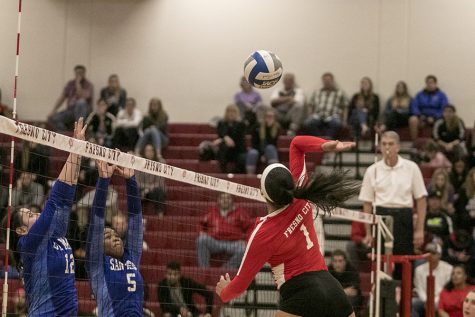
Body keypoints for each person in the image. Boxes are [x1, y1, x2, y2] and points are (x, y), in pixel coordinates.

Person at [215, 135, 359, 317]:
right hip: (334, 290)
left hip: (302, 295)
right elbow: (297, 144)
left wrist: (224, 292)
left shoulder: (264, 232)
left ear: (262, 193)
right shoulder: (302, 197)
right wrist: (326, 145)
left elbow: (239, 285)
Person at [6, 118, 86, 316]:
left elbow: (66, 198)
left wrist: (79, 152)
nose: (38, 214)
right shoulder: (29, 244)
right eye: (31, 215)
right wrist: (75, 149)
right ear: (21, 230)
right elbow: (55, 199)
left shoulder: (55, 233)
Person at [359, 131, 427, 279]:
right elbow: (367, 203)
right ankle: (382, 301)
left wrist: (419, 229)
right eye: (384, 144)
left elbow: (421, 200)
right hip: (381, 218)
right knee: (382, 264)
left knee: (404, 265)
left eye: (390, 144)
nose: (387, 147)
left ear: (398, 147)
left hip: (404, 218)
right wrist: (369, 232)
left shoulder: (411, 168)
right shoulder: (372, 170)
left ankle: (403, 300)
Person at [85, 160, 144, 316]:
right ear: (98, 245)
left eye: (116, 235)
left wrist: (130, 180)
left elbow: (135, 222)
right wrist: (104, 180)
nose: (116, 237)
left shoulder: (131, 258)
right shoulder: (97, 265)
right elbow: (96, 221)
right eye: (108, 236)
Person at [196, 192, 253, 268]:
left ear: (232, 200)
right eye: (222, 198)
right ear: (218, 200)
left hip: (233, 243)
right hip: (215, 241)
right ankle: (205, 270)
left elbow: (250, 227)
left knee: (245, 248)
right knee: (201, 239)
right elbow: (200, 223)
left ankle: (225, 269)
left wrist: (246, 240)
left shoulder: (240, 213)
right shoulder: (212, 212)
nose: (225, 200)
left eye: (228, 198)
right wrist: (201, 232)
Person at [412, 242, 453, 317]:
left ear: (439, 255)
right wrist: (427, 301)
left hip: (442, 300)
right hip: (424, 300)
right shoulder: (418, 270)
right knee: (413, 303)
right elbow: (419, 289)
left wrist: (435, 302)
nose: (430, 255)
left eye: (433, 253)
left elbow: (447, 289)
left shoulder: (449, 268)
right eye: (428, 253)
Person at [48, 65, 93, 131]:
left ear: (84, 73)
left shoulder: (88, 84)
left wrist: (78, 83)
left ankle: (79, 129)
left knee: (81, 103)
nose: (79, 74)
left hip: (83, 112)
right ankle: (65, 134)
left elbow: (81, 96)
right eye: (77, 73)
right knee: (52, 118)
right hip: (71, 111)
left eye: (81, 73)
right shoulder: (70, 84)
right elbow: (62, 98)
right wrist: (53, 110)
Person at [304, 72, 348, 138]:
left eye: (328, 80)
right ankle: (319, 139)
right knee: (308, 123)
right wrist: (310, 115)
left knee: (337, 123)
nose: (327, 82)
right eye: (325, 80)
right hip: (318, 115)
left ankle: (327, 139)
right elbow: (311, 105)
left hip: (333, 116)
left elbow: (345, 107)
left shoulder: (340, 93)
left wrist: (344, 120)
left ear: (332, 81)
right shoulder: (317, 92)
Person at [409, 75, 449, 140]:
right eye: (428, 83)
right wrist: (419, 115)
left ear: (435, 84)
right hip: (422, 117)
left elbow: (444, 108)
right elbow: (414, 106)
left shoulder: (441, 95)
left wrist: (435, 117)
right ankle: (415, 141)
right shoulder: (419, 94)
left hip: (436, 118)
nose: (430, 84)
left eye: (432, 82)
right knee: (413, 119)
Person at [135, 143, 167, 217]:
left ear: (154, 152)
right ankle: (136, 216)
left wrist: (149, 189)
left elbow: (160, 182)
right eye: (147, 151)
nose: (149, 153)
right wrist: (146, 188)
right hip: (143, 189)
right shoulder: (139, 163)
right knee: (136, 191)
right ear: (144, 152)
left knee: (160, 191)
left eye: (151, 150)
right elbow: (137, 181)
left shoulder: (160, 163)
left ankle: (160, 214)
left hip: (154, 190)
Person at [246, 108, 281, 174]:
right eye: (268, 116)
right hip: (258, 150)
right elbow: (254, 143)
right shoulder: (257, 126)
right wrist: (262, 154)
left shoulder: (277, 128)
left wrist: (269, 128)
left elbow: (273, 144)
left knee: (270, 148)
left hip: (270, 152)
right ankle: (250, 175)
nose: (269, 118)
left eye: (271, 117)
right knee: (252, 152)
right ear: (264, 117)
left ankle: (274, 173)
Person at [214, 104, 247, 173]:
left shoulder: (241, 124)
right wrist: (225, 138)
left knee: (242, 157)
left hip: (238, 148)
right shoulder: (221, 123)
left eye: (233, 112)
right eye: (229, 111)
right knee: (223, 147)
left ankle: (236, 174)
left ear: (237, 113)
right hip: (226, 150)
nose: (231, 114)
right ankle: (223, 172)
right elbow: (221, 134)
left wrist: (225, 139)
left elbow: (240, 139)